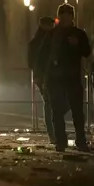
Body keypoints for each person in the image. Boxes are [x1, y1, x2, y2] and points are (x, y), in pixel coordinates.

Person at [37, 3, 91, 152]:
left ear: (72, 17)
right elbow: (42, 55)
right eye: (62, 16)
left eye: (67, 16)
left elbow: (87, 51)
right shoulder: (52, 34)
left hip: (72, 77)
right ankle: (61, 141)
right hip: (55, 77)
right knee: (57, 111)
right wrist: (42, 74)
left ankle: (80, 140)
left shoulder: (79, 34)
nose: (65, 19)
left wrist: (78, 44)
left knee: (77, 111)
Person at [27, 16, 56, 144]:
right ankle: (53, 133)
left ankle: (53, 133)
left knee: (50, 103)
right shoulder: (40, 41)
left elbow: (31, 61)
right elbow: (33, 60)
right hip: (45, 75)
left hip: (47, 75)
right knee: (50, 103)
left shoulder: (37, 41)